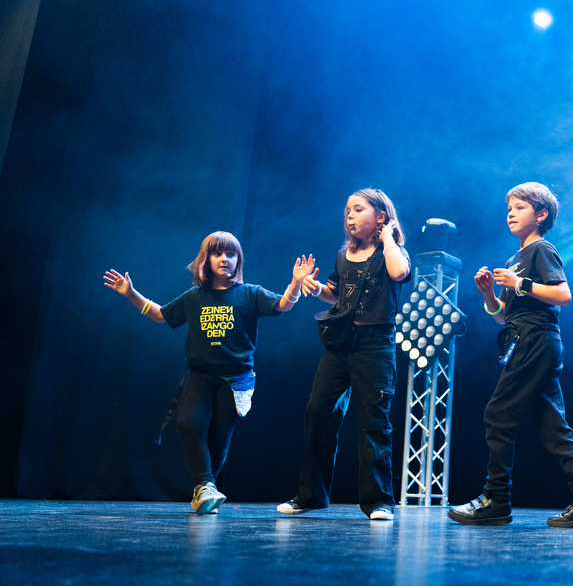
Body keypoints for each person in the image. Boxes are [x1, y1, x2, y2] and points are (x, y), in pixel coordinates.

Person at [103, 232, 314, 515]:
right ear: (206, 260)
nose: (224, 259)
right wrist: (130, 293)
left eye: (231, 254)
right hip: (201, 374)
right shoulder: (194, 297)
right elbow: (161, 315)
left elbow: (282, 305)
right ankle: (205, 486)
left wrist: (296, 283)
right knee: (187, 423)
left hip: (236, 378)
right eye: (217, 254)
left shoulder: (250, 293)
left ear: (238, 260)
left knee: (219, 437)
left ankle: (204, 490)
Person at [448, 182, 573, 528]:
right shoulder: (514, 260)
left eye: (520, 207)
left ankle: (496, 500)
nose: (511, 213)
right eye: (509, 208)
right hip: (527, 338)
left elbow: (564, 295)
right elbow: (504, 316)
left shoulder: (541, 249)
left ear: (541, 214)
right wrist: (489, 294)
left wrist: (519, 283)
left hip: (535, 340)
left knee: (498, 416)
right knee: (553, 425)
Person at [278, 189, 411, 522]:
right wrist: (315, 288)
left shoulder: (393, 253)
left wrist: (388, 238)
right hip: (340, 344)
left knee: (373, 422)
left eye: (358, 209)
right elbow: (336, 295)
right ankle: (311, 495)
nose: (350, 216)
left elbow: (399, 273)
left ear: (381, 216)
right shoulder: (343, 255)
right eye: (347, 211)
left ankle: (379, 501)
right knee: (318, 411)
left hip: (375, 345)